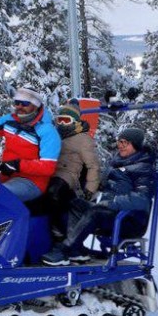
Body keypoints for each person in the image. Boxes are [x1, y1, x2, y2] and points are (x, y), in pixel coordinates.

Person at [40, 126, 156, 266]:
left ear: (136, 145)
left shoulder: (144, 169)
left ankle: (66, 249)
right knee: (75, 204)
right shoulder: (117, 163)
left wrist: (112, 202)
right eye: (119, 142)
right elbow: (102, 185)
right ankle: (75, 248)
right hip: (110, 212)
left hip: (129, 219)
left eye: (125, 143)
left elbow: (142, 199)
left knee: (95, 212)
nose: (120, 146)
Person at [32, 100, 102, 236]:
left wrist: (90, 189)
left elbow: (93, 166)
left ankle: (59, 229)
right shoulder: (55, 135)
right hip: (50, 171)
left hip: (67, 174)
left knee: (53, 192)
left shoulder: (83, 139)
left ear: (75, 121)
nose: (62, 124)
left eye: (66, 120)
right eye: (60, 120)